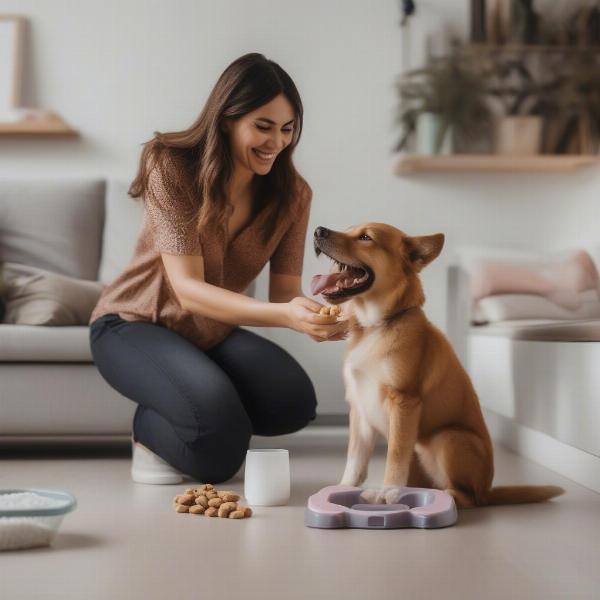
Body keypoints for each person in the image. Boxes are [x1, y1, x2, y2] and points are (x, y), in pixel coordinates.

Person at [89, 53, 348, 485]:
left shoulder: (293, 195)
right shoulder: (170, 164)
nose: (276, 142)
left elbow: (285, 294)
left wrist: (325, 312)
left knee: (294, 402)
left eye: (287, 129)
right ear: (227, 118)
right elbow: (188, 290)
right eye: (263, 126)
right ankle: (148, 430)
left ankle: (193, 401)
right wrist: (287, 316)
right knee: (219, 454)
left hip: (209, 332)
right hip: (132, 324)